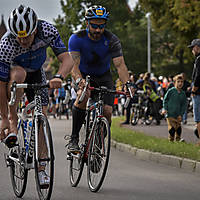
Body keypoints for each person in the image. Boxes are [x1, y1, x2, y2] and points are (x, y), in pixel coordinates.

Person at [0, 5, 73, 185]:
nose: (23, 41)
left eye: (27, 36)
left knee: (42, 120)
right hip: (16, 73)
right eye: (19, 36)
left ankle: (42, 169)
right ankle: (13, 122)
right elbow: (0, 86)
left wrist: (58, 76)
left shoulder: (47, 30)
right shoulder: (6, 44)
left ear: (35, 29)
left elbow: (67, 58)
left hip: (37, 72)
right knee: (19, 75)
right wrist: (4, 117)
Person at [67, 5, 131, 151]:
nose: (98, 30)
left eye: (101, 26)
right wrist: (79, 81)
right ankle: (74, 138)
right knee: (83, 96)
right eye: (94, 26)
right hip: (82, 75)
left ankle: (98, 143)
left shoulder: (112, 39)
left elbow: (120, 65)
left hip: (103, 76)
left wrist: (127, 84)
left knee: (108, 111)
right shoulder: (76, 38)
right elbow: (73, 66)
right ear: (87, 23)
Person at [162, 74, 187, 142]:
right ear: (175, 83)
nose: (180, 83)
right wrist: (165, 108)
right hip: (170, 114)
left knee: (178, 129)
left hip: (178, 115)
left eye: (182, 82)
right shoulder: (171, 91)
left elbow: (184, 105)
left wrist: (181, 114)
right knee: (172, 129)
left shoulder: (183, 93)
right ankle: (171, 140)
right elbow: (165, 100)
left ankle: (178, 140)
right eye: (178, 81)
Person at [188, 39, 200, 144]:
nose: (192, 50)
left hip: (198, 92)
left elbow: (198, 76)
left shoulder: (199, 59)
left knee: (198, 117)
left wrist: (194, 89)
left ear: (197, 47)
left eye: (193, 47)